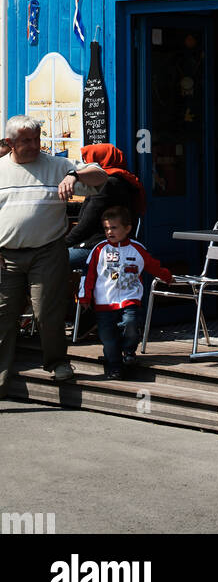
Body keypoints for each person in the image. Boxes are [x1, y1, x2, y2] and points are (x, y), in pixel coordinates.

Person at [0, 116, 109, 394]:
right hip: (6, 255)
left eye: (38, 139)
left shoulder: (58, 166)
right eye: (27, 140)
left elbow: (101, 176)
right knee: (3, 315)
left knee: (47, 311)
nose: (35, 145)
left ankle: (58, 363)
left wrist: (74, 175)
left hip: (47, 251)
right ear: (10, 143)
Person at [77, 207, 172, 378]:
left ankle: (128, 351)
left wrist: (167, 277)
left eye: (114, 228)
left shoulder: (137, 248)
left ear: (127, 228)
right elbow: (88, 275)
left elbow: (152, 265)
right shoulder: (99, 249)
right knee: (108, 338)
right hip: (104, 302)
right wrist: (84, 296)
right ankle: (114, 366)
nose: (109, 232)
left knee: (131, 324)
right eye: (106, 228)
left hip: (130, 299)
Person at [67, 144, 146, 271]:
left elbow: (88, 223)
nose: (86, 166)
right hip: (104, 243)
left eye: (88, 162)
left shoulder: (109, 184)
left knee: (51, 261)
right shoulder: (120, 179)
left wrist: (63, 244)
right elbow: (91, 206)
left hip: (99, 246)